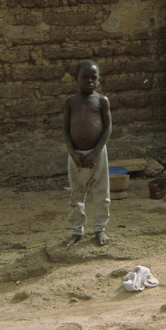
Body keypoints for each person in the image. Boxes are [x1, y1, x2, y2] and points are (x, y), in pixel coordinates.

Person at [64, 59, 112, 245]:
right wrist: (72, 153)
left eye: (94, 77)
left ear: (99, 79)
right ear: (76, 79)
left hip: (98, 153)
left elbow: (107, 128)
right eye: (85, 77)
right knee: (77, 193)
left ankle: (100, 229)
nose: (89, 81)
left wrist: (96, 152)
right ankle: (77, 231)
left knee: (101, 191)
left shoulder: (101, 101)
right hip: (75, 154)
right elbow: (65, 130)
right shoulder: (70, 102)